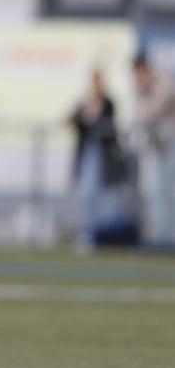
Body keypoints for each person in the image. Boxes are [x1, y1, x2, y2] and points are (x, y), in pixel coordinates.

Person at [67, 69, 119, 244]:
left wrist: (91, 116)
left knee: (104, 195)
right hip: (87, 153)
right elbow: (71, 120)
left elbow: (106, 123)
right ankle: (89, 231)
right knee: (86, 193)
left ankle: (103, 233)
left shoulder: (108, 103)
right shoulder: (85, 103)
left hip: (104, 156)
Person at [133, 55, 175, 246]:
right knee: (153, 191)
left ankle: (169, 237)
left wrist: (144, 89)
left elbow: (151, 111)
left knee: (169, 191)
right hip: (154, 145)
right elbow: (138, 115)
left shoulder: (163, 83)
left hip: (170, 144)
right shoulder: (141, 88)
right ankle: (157, 237)